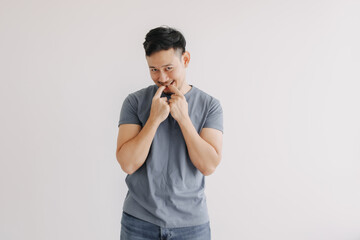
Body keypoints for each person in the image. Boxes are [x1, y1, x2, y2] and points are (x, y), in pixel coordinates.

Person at [116, 26, 223, 240]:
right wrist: (154, 119)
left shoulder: (210, 105)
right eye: (154, 69)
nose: (162, 77)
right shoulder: (134, 102)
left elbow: (208, 165)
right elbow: (127, 164)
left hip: (192, 225)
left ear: (185, 59)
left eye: (168, 67)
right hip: (139, 222)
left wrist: (184, 118)